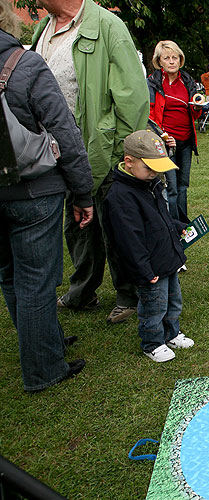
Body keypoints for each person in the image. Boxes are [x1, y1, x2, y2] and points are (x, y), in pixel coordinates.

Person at [31, 0, 149, 324]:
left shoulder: (109, 27)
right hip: (60, 153)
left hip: (104, 149)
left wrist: (123, 153)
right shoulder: (44, 27)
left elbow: (132, 97)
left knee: (116, 225)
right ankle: (82, 291)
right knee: (78, 225)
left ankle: (129, 296)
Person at [0, 7, 92, 391]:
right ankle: (43, 368)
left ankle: (42, 341)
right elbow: (64, 131)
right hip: (33, 189)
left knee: (9, 274)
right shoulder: (25, 64)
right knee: (36, 281)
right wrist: (82, 191)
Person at [102, 131, 194, 362]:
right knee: (153, 306)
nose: (155, 173)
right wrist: (143, 271)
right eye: (149, 168)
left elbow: (160, 218)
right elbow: (127, 241)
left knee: (173, 301)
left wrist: (177, 226)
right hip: (150, 267)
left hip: (167, 259)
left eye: (158, 168)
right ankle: (152, 342)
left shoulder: (150, 184)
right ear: (129, 162)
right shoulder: (120, 197)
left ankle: (171, 333)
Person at [147, 40, 201, 225]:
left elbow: (194, 113)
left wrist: (197, 107)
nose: (171, 61)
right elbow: (150, 115)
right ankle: (172, 226)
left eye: (175, 57)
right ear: (159, 61)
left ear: (180, 59)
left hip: (186, 141)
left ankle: (183, 225)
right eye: (167, 58)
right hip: (166, 143)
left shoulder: (187, 81)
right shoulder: (153, 83)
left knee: (183, 185)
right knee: (171, 187)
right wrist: (162, 135)